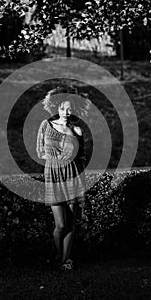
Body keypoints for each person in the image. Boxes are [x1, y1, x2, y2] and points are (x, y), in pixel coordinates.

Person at [36, 85, 91, 271]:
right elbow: (41, 152)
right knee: (60, 224)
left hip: (73, 178)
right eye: (62, 108)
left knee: (71, 223)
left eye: (69, 108)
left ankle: (66, 260)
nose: (66, 112)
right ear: (55, 107)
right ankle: (58, 256)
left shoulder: (77, 130)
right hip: (54, 177)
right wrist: (58, 161)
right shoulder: (46, 125)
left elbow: (82, 157)